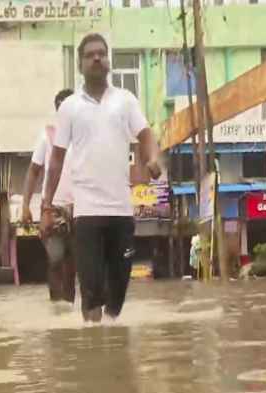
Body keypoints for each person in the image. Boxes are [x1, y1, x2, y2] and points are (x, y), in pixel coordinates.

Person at [43, 33, 161, 322]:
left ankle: (111, 338)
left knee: (119, 290)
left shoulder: (125, 100)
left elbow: (146, 135)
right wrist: (46, 207)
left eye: (102, 53)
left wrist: (153, 157)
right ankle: (95, 349)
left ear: (109, 60)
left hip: (121, 209)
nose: (97, 58)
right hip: (87, 213)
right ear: (80, 64)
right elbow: (56, 159)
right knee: (92, 288)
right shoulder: (70, 107)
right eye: (89, 55)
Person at [22, 88, 77, 305]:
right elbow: (33, 171)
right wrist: (25, 205)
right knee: (55, 258)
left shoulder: (85, 135)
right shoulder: (48, 135)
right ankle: (56, 306)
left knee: (73, 265)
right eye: (61, 107)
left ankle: (69, 308)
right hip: (53, 209)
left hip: (81, 207)